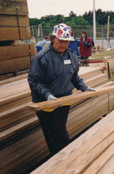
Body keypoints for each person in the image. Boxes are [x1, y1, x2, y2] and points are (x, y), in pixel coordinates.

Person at [28, 23, 95, 156]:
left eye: (66, 41)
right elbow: (34, 81)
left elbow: (73, 76)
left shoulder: (72, 56)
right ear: (53, 38)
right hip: (44, 102)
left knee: (59, 130)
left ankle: (67, 157)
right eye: (60, 41)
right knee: (50, 135)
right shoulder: (41, 58)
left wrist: (83, 87)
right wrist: (47, 95)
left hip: (64, 99)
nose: (63, 44)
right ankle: (56, 160)